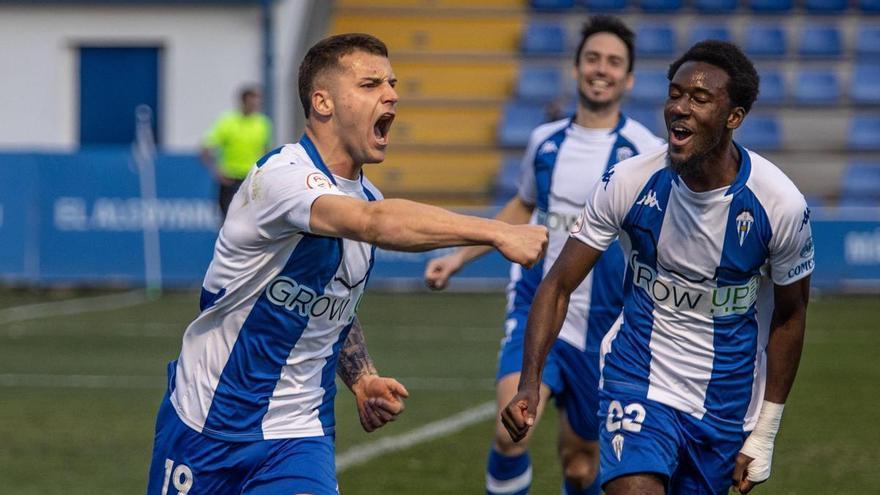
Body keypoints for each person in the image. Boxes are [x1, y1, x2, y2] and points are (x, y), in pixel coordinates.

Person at [147, 33, 548, 495]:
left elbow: (333, 302)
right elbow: (375, 223)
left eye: (393, 83)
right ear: (323, 102)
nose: (392, 94)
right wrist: (498, 231)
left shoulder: (367, 197)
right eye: (371, 83)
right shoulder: (281, 178)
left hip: (298, 436)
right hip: (205, 425)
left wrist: (362, 377)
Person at [501, 40, 814, 495]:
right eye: (675, 93)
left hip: (724, 402)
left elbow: (791, 316)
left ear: (734, 117)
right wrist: (530, 382)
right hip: (637, 379)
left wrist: (764, 433)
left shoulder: (779, 205)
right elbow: (558, 284)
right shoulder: (628, 180)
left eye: (699, 99)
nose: (680, 108)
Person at [425, 16, 664, 495]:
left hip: (605, 326)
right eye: (592, 58)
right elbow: (522, 205)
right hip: (537, 306)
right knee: (512, 430)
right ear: (576, 69)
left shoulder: (645, 152)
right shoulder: (545, 141)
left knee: (581, 465)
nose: (602, 69)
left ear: (629, 78)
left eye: (614, 62)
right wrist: (458, 257)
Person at [200, 86, 272, 219]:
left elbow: (265, 150)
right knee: (229, 221)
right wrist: (217, 171)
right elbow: (205, 149)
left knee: (253, 223)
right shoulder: (228, 122)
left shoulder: (263, 123)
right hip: (231, 180)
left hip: (252, 179)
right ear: (243, 101)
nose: (255, 105)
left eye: (257, 101)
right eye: (252, 101)